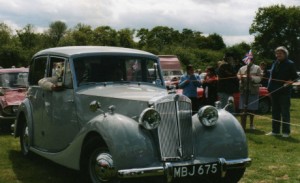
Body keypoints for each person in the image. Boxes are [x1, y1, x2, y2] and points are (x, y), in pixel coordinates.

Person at [266, 46, 299, 137]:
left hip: (284, 92)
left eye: (280, 53)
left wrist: (290, 81)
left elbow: (296, 77)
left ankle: (286, 132)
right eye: (277, 53)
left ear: (285, 54)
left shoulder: (290, 63)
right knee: (275, 112)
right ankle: (275, 131)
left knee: (285, 113)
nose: (278, 55)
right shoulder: (275, 63)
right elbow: (271, 77)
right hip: (274, 91)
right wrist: (269, 89)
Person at [237, 57, 262, 130]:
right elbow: (238, 75)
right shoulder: (242, 68)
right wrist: (240, 77)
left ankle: (251, 124)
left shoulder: (257, 68)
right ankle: (242, 125)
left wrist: (252, 78)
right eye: (246, 60)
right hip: (243, 90)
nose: (247, 61)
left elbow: (260, 78)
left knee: (252, 108)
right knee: (242, 108)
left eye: (249, 60)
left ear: (252, 60)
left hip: (253, 90)